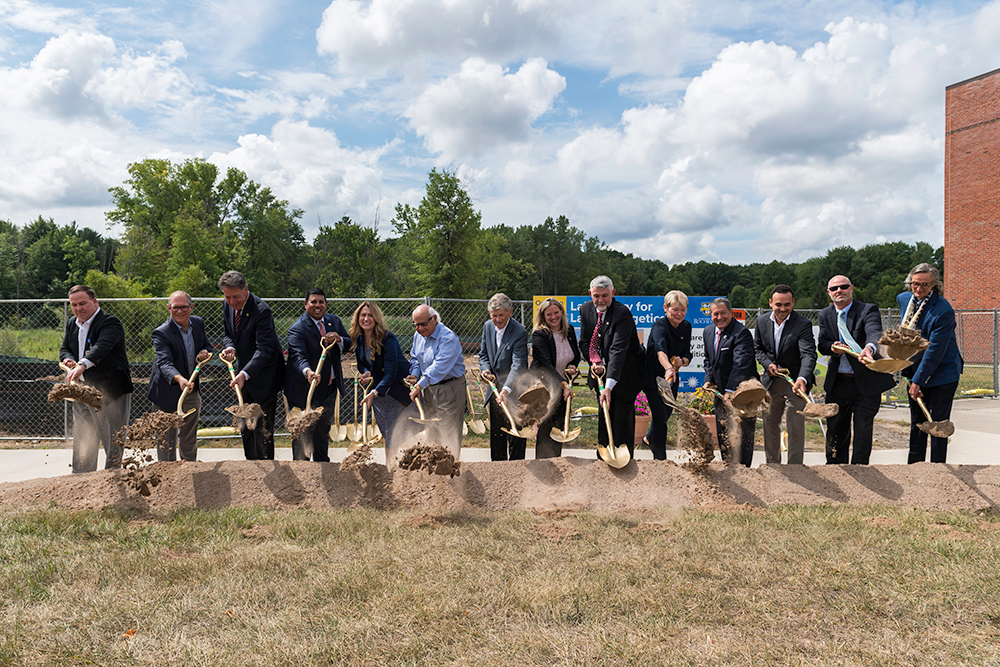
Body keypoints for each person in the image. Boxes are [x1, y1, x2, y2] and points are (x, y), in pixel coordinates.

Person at [817, 275, 895, 464]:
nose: (839, 291)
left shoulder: (867, 310)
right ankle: (836, 470)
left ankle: (861, 471)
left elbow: (874, 332)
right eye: (834, 288)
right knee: (835, 431)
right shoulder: (825, 314)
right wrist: (832, 347)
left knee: (862, 431)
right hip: (838, 384)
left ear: (851, 288)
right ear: (829, 293)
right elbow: (822, 343)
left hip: (865, 383)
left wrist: (869, 348)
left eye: (843, 287)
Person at [59, 284, 134, 473]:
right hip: (82, 390)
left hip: (111, 390)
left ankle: (112, 477)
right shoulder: (72, 324)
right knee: (84, 437)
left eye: (82, 303)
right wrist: (67, 358)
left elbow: (102, 346)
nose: (78, 309)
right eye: (74, 305)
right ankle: (82, 478)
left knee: (112, 438)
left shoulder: (110, 323)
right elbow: (65, 347)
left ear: (94, 301)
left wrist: (82, 364)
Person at [896, 263, 964, 463]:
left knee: (937, 425)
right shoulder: (903, 299)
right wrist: (910, 375)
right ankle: (915, 468)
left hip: (943, 373)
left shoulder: (943, 311)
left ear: (934, 285)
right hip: (916, 369)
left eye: (924, 285)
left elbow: (934, 351)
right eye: (915, 284)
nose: (918, 289)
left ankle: (937, 469)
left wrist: (919, 381)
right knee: (917, 423)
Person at [218, 270, 285, 460]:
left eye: (236, 297)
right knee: (245, 425)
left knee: (260, 426)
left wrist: (245, 374)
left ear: (246, 290)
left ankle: (265, 465)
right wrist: (230, 347)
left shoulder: (261, 310)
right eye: (227, 297)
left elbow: (265, 349)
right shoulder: (227, 304)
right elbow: (228, 333)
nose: (232, 302)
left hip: (264, 376)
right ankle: (250, 468)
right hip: (244, 375)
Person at [579, 275, 646, 457]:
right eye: (596, 296)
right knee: (604, 415)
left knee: (621, 418)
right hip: (600, 373)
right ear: (590, 294)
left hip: (625, 374)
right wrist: (595, 362)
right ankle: (604, 458)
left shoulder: (622, 313)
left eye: (605, 295)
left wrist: (608, 386)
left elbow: (618, 349)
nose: (600, 300)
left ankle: (624, 461)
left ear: (613, 293)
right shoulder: (585, 310)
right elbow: (585, 342)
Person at [753, 285, 817, 464]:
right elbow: (758, 349)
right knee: (770, 424)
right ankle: (773, 466)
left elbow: (808, 354)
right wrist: (767, 364)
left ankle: (795, 467)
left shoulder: (803, 324)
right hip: (771, 382)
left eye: (787, 305)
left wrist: (802, 378)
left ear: (793, 303)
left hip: (795, 383)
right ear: (770, 303)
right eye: (778, 304)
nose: (782, 309)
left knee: (795, 424)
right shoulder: (761, 321)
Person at [285, 288, 351, 462]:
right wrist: (308, 371)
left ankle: (323, 465)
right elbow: (298, 356)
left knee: (323, 428)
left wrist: (339, 339)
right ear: (306, 304)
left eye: (321, 302)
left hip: (327, 387)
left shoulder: (333, 321)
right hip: (304, 389)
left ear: (325, 304)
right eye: (313, 302)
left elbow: (350, 343)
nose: (317, 305)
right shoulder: (297, 329)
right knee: (303, 432)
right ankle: (302, 467)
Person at [148, 291, 213, 461]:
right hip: (166, 392)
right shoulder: (161, 333)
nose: (180, 311)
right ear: (169, 308)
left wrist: (204, 353)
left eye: (184, 307)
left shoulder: (198, 324)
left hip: (190, 391)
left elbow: (207, 345)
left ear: (191, 307)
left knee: (188, 437)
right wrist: (180, 379)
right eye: (175, 307)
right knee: (165, 440)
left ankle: (189, 472)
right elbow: (164, 363)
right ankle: (167, 477)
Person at [351, 301, 412, 464]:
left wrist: (374, 391)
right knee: (387, 430)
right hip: (377, 391)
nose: (366, 318)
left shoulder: (388, 338)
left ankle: (391, 467)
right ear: (358, 318)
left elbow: (391, 372)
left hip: (395, 390)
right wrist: (366, 372)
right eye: (363, 315)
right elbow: (362, 363)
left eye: (370, 315)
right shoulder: (359, 339)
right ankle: (391, 466)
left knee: (392, 430)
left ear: (377, 318)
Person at [406, 304, 467, 456]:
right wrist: (415, 374)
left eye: (423, 324)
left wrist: (419, 386)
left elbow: (439, 366)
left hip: (449, 389)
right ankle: (433, 475)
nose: (419, 328)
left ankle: (450, 474)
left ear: (434, 319)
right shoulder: (418, 336)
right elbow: (415, 358)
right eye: (416, 325)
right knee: (432, 433)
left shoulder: (448, 338)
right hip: (430, 389)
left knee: (448, 434)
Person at [703, 297, 757, 467]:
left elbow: (741, 364)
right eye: (715, 314)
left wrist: (730, 389)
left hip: (742, 394)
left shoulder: (741, 333)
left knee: (743, 435)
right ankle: (728, 468)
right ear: (711, 315)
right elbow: (708, 361)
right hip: (721, 394)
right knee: (724, 432)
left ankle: (744, 470)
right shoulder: (708, 332)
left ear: (731, 313)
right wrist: (708, 380)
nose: (719, 317)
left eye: (723, 313)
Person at [478, 293, 529, 461]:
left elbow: (518, 364)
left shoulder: (519, 332)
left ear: (510, 312)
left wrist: (506, 389)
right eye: (494, 316)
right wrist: (485, 370)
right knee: (497, 434)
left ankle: (517, 470)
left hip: (515, 391)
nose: (498, 319)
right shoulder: (487, 326)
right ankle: (498, 471)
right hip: (494, 390)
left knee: (516, 434)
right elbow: (483, 354)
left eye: (501, 315)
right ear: (489, 313)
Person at [642, 290, 692, 460]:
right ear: (665, 308)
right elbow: (660, 349)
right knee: (660, 418)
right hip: (654, 378)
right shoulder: (659, 326)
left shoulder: (686, 326)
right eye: (675, 309)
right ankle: (660, 460)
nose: (679, 313)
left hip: (672, 379)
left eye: (682, 310)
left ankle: (648, 439)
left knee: (667, 413)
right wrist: (668, 367)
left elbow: (687, 353)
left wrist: (682, 362)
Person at [530, 298, 581, 459]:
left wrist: (573, 366)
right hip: (545, 388)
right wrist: (564, 383)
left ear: (562, 312)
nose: (553, 317)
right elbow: (545, 364)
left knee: (558, 427)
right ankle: (542, 468)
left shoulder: (569, 330)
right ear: (543, 316)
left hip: (563, 388)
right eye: (549, 314)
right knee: (545, 429)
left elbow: (575, 356)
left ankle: (556, 465)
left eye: (556, 312)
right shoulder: (540, 334)